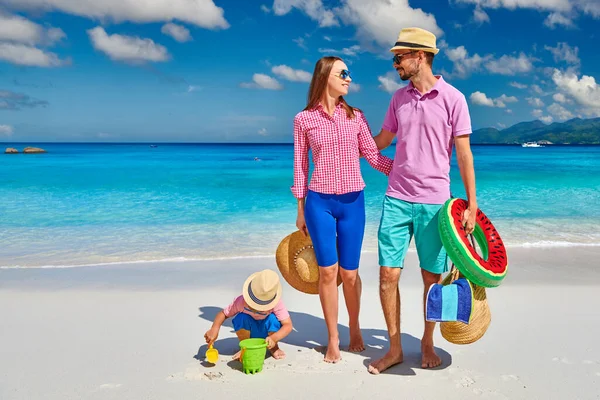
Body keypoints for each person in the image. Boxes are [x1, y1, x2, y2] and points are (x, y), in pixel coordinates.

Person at [367, 27, 477, 374]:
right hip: (397, 198)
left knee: (432, 279)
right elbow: (382, 140)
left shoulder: (454, 99)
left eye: (399, 57)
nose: (395, 62)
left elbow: (463, 155)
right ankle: (396, 347)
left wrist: (471, 205)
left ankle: (427, 341)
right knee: (388, 275)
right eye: (395, 57)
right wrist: (347, 139)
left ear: (421, 56)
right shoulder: (398, 99)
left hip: (435, 204)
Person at [292, 56, 393, 363]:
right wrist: (300, 208)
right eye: (343, 73)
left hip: (353, 203)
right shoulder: (303, 120)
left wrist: (408, 171)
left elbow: (373, 157)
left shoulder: (357, 117)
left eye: (349, 73)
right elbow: (300, 165)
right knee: (327, 272)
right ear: (325, 78)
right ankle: (333, 337)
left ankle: (355, 326)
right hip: (319, 203)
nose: (349, 78)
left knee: (350, 275)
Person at [203, 269, 293, 360]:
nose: (255, 308)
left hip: (268, 335)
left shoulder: (276, 303)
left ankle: (273, 347)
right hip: (249, 332)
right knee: (241, 318)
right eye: (253, 303)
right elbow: (223, 314)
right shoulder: (240, 301)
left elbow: (288, 325)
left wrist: (274, 338)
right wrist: (215, 328)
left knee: (273, 319)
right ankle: (245, 346)